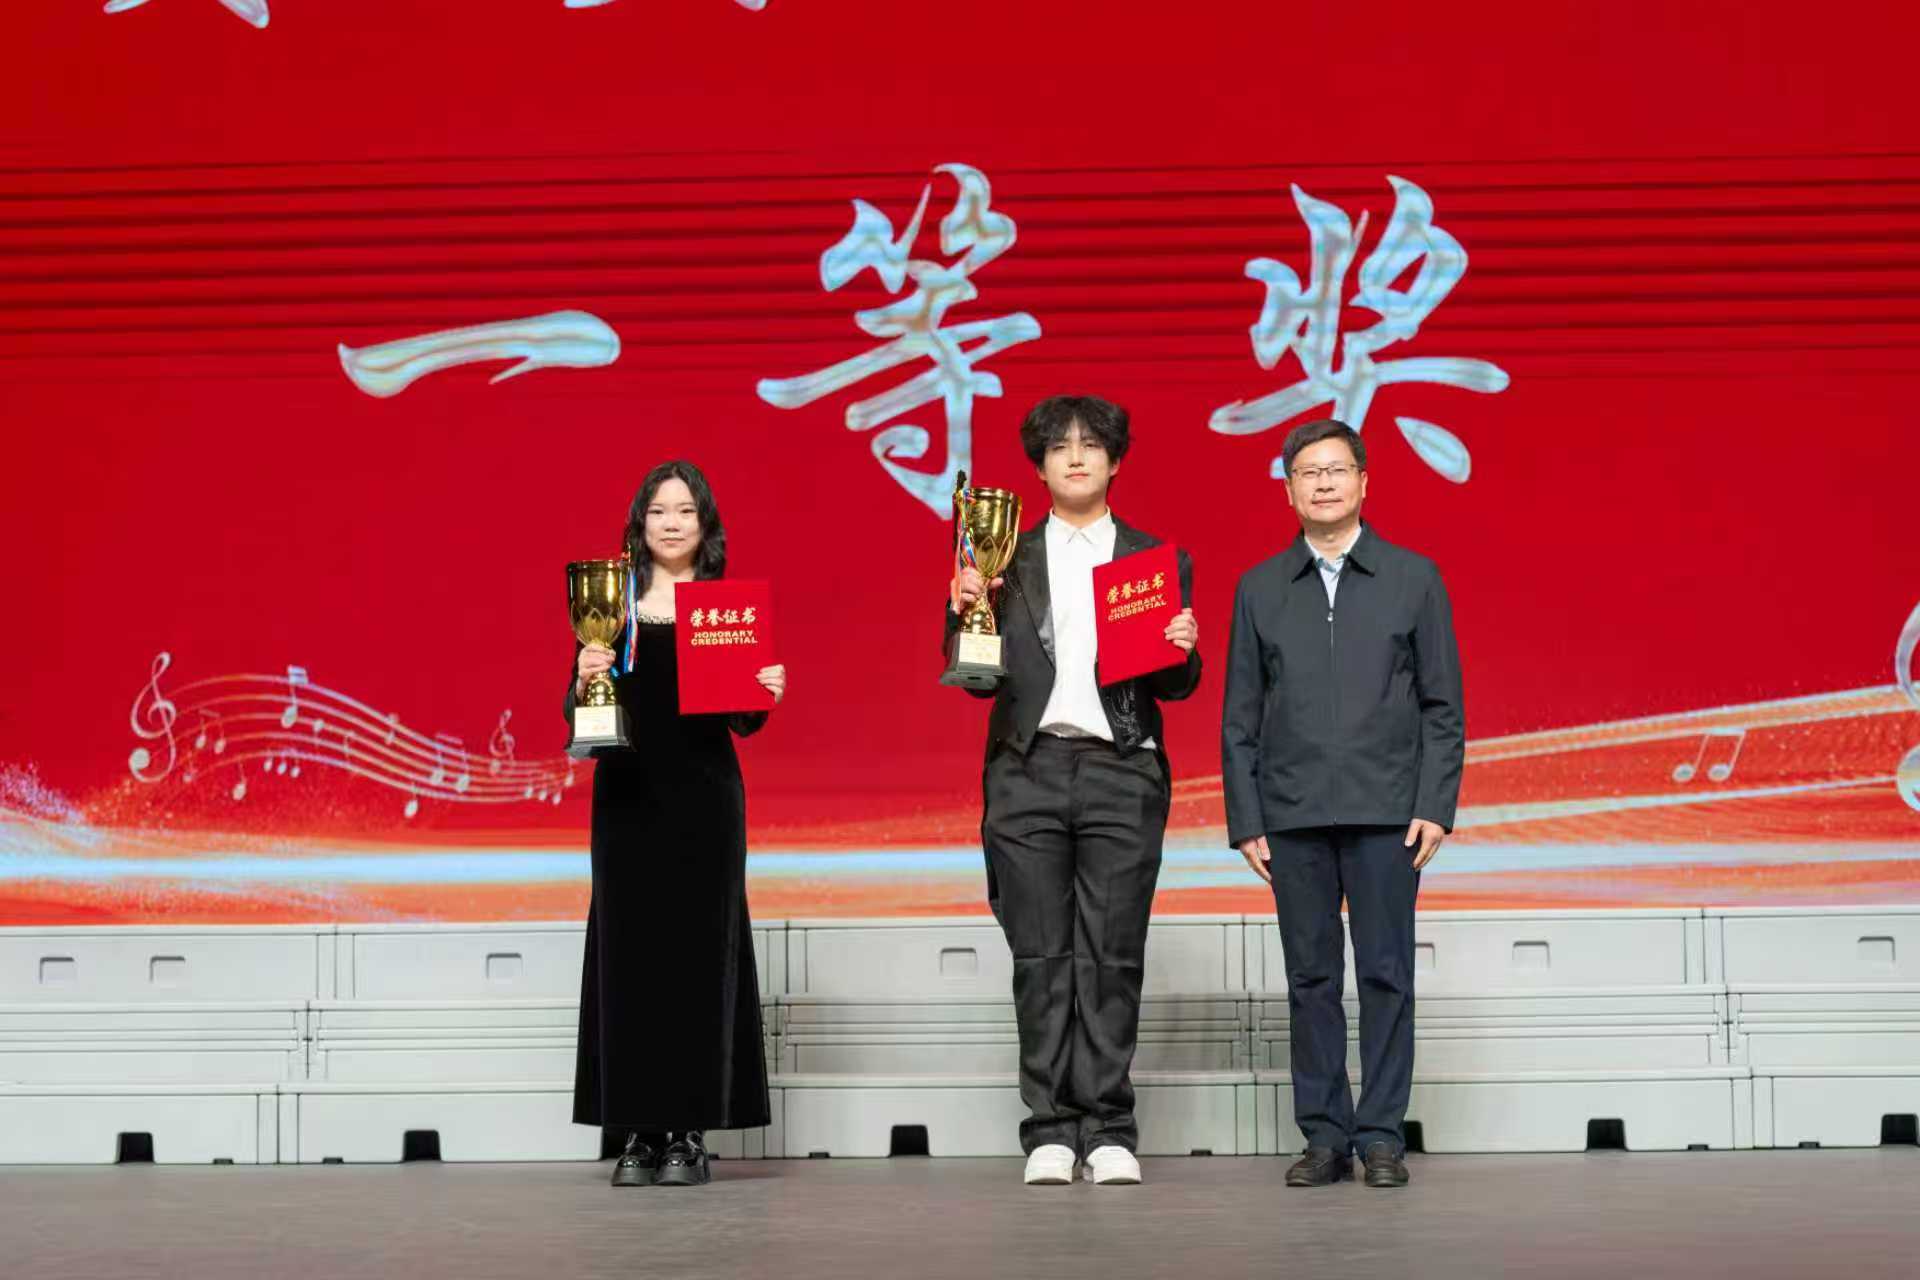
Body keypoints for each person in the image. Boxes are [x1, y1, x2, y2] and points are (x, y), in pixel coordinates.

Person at [946, 395, 1201, 1186]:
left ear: (1116, 461)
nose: (1077, 457)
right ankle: (1051, 1129)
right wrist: (964, 611)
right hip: (1028, 768)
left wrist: (1183, 645)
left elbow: (1177, 683)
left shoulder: (1153, 558)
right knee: (1041, 955)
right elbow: (975, 680)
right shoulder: (1003, 557)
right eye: (1060, 447)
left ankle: (1110, 1126)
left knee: (1113, 955)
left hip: (1123, 768)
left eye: (1092, 445)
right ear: (1040, 467)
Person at [1220, 418, 1464, 1189]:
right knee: (1310, 979)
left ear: (1364, 481)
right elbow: (1239, 716)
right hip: (1291, 814)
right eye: (1308, 472)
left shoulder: (1412, 577)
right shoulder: (1260, 588)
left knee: (1387, 975)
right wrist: (1247, 819)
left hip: (1389, 811)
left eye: (1336, 469)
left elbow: (1442, 705)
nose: (1323, 482)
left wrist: (1436, 803)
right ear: (1289, 490)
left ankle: (1382, 1135)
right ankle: (1325, 1135)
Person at [568, 460, 787, 1188]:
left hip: (705, 803)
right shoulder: (612, 605)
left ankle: (689, 1132)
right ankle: (636, 1130)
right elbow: (578, 717)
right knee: (629, 960)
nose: (671, 522)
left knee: (699, 961)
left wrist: (766, 688)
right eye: (659, 510)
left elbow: (743, 719)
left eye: (686, 510)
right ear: (640, 522)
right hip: (626, 800)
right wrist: (583, 677)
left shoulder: (725, 610)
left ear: (705, 524)